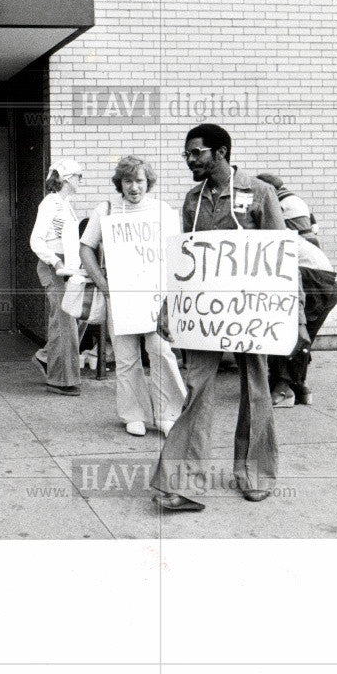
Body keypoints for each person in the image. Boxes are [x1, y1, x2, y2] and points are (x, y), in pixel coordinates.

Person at [151, 123, 308, 511]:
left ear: (221, 152)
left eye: (196, 152)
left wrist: (298, 317)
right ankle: (184, 483)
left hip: (252, 316)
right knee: (197, 388)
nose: (190, 159)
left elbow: (283, 260)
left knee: (256, 389)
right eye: (187, 153)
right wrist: (170, 306)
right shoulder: (193, 199)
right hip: (206, 317)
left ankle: (255, 474)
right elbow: (186, 260)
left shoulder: (259, 192)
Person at [79, 156, 187, 436]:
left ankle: (169, 413)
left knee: (161, 351)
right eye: (128, 181)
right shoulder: (106, 210)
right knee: (126, 358)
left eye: (139, 180)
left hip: (155, 296)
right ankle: (133, 414)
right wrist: (104, 285)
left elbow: (176, 252)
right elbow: (86, 248)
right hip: (121, 296)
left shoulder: (162, 210)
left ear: (147, 181)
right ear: (120, 184)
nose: (134, 187)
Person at [29, 158, 83, 395]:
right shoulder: (50, 203)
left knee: (74, 318)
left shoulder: (66, 204)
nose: (81, 181)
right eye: (79, 176)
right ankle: (60, 381)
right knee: (63, 323)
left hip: (67, 269)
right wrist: (56, 261)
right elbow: (36, 240)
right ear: (68, 179)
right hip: (54, 267)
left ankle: (46, 357)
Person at [268, 233, 337, 408]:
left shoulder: (269, 234)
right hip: (326, 282)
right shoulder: (291, 235)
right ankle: (300, 387)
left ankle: (282, 388)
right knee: (302, 338)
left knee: (283, 332)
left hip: (311, 278)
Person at [256, 173, 320, 245]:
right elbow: (314, 224)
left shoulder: (275, 199)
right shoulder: (294, 198)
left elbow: (268, 224)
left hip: (299, 242)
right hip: (311, 240)